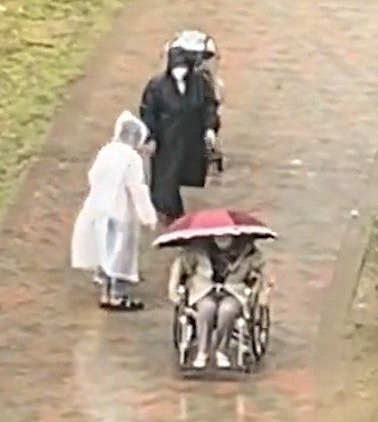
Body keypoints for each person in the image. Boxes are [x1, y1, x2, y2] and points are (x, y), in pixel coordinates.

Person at [69, 111, 159, 311]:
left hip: (98, 207)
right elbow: (137, 188)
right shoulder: (132, 158)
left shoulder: (106, 151)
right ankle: (116, 296)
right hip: (120, 211)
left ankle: (105, 289)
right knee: (119, 253)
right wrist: (147, 215)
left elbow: (93, 175)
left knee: (104, 248)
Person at [140, 44, 221, 225]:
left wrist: (209, 128)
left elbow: (209, 106)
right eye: (177, 68)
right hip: (167, 139)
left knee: (185, 171)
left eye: (183, 68)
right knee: (166, 178)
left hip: (191, 137)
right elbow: (149, 112)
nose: (180, 72)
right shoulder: (157, 86)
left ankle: (175, 209)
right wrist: (151, 136)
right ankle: (171, 213)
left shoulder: (200, 84)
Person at [168, 234, 269, 370]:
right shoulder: (198, 251)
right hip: (204, 291)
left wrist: (264, 293)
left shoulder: (248, 253)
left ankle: (222, 350)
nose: (222, 238)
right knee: (206, 308)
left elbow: (265, 272)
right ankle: (202, 351)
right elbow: (179, 266)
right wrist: (173, 289)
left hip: (233, 292)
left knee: (227, 310)